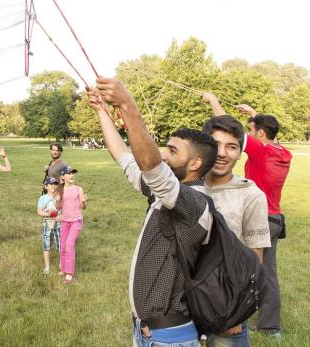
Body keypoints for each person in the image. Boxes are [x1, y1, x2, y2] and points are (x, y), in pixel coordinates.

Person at [89, 78, 217, 347]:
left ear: (195, 163)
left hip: (170, 339)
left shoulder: (196, 204)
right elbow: (124, 158)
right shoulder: (165, 194)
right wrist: (102, 111)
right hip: (150, 334)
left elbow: (153, 167)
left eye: (172, 151)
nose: (164, 155)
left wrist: (127, 105)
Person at [203, 93, 292, 337]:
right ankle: (270, 325)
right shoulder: (282, 152)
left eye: (252, 131)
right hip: (275, 218)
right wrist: (255, 115)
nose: (249, 136)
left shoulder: (260, 151)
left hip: (254, 215)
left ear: (260, 134)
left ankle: (235, 316)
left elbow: (227, 130)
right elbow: (265, 131)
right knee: (268, 272)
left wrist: (213, 101)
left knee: (240, 267)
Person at [200, 115, 271, 346]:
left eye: (231, 147)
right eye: (215, 145)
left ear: (240, 152)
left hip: (226, 309)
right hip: (185, 308)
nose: (222, 153)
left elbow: (255, 259)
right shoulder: (187, 186)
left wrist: (237, 312)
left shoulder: (251, 195)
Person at [56, 166, 86, 284]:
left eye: (73, 173)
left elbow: (83, 207)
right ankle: (63, 268)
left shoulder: (79, 189)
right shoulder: (60, 190)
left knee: (69, 244)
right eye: (69, 173)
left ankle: (69, 273)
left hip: (76, 221)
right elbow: (58, 207)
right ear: (63, 177)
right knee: (63, 246)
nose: (72, 175)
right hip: (65, 221)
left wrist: (83, 202)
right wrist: (58, 200)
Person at [36, 177, 61, 274]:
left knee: (61, 247)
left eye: (55, 184)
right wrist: (47, 214)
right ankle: (47, 267)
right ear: (46, 186)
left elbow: (62, 209)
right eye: (51, 184)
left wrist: (58, 200)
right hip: (47, 226)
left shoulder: (59, 197)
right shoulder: (42, 198)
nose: (53, 186)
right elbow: (39, 211)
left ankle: (62, 265)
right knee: (46, 247)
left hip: (58, 226)